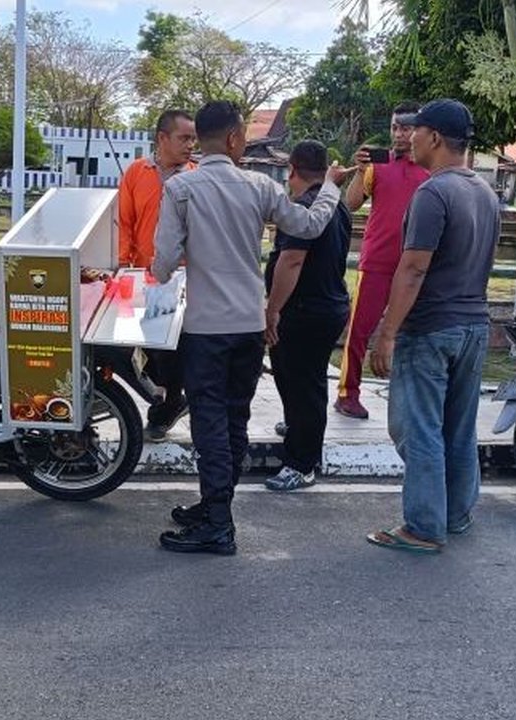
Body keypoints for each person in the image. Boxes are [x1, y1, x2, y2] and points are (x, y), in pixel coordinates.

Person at [151, 100, 347, 555]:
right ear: (237, 138)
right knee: (234, 417)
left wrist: (168, 267)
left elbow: (162, 264)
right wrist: (332, 187)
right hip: (248, 324)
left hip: (206, 327)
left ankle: (218, 522)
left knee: (209, 421)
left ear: (201, 139)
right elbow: (312, 223)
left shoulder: (182, 188)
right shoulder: (261, 186)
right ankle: (215, 505)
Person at [364, 98, 500, 554]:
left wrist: (387, 331)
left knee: (416, 427)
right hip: (473, 326)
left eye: (416, 131)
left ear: (435, 138)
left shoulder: (433, 193)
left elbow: (413, 268)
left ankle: (423, 526)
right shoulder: (484, 191)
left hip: (431, 328)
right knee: (458, 427)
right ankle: (456, 513)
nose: (408, 139)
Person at [263, 141, 352, 492]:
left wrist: (273, 309)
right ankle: (298, 425)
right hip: (326, 304)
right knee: (292, 375)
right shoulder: (336, 204)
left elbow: (292, 261)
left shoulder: (301, 209)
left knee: (305, 384)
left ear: (292, 170)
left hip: (306, 309)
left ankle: (302, 462)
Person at [335, 101, 429, 420]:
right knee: (360, 330)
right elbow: (349, 204)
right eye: (395, 127)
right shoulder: (378, 164)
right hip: (376, 261)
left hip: (415, 266)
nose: (399, 134)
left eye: (406, 127)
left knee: (413, 333)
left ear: (421, 130)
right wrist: (361, 171)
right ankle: (348, 393)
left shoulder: (432, 170)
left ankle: (408, 396)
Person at [117, 109, 196, 441]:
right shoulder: (137, 172)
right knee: (138, 348)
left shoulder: (196, 175)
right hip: (142, 277)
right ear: (162, 138)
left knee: (173, 350)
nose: (191, 145)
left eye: (193, 138)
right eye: (184, 138)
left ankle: (165, 409)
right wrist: (122, 267)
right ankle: (169, 400)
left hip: (185, 279)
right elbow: (125, 222)